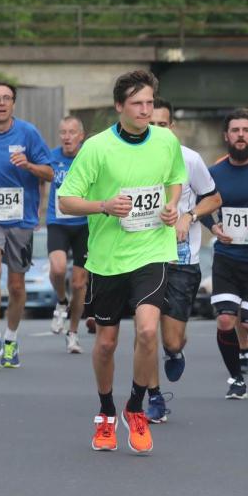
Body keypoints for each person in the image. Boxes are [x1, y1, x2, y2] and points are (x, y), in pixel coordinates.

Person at [58, 70, 186, 454]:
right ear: (119, 107)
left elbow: (175, 179)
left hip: (153, 250)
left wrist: (173, 207)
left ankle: (135, 408)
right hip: (108, 258)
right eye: (137, 104)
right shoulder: (97, 148)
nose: (146, 110)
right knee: (107, 344)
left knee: (148, 332)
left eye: (149, 102)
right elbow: (66, 200)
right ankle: (105, 411)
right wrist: (104, 206)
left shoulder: (165, 140)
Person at [0, 81, 53, 368]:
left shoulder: (28, 132)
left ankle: (11, 339)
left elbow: (50, 172)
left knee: (16, 286)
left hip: (22, 218)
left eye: (7, 98)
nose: (1, 103)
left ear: (13, 103)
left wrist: (28, 165)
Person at [144, 97, 221, 423]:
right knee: (146, 332)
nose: (157, 130)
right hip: (142, 258)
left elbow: (213, 197)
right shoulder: (130, 159)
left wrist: (189, 216)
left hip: (181, 259)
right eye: (151, 125)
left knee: (171, 337)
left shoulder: (189, 160)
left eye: (163, 125)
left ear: (171, 127)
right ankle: (154, 396)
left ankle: (174, 350)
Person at [205, 108, 248, 400]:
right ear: (226, 136)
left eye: (247, 130)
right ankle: (235, 379)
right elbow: (202, 207)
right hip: (226, 258)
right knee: (224, 320)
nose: (241, 136)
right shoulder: (214, 173)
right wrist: (213, 227)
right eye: (235, 131)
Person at [44, 116, 89, 353]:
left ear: (81, 135)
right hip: (58, 221)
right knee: (59, 269)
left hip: (84, 224)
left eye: (72, 132)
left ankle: (73, 333)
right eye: (63, 132)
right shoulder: (52, 157)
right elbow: (39, 178)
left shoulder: (89, 158)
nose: (67, 137)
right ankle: (61, 301)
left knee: (80, 283)